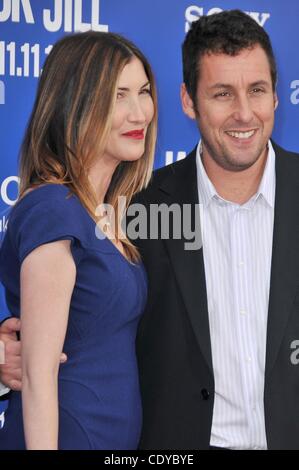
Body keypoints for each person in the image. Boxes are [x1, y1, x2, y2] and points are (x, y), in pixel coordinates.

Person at [1, 9, 299, 450]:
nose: (243, 113)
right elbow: (77, 321)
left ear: (276, 97)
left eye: (257, 90)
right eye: (221, 93)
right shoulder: (137, 210)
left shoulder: (113, 208)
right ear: (187, 101)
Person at [0, 30, 157, 450]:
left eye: (142, 92)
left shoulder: (104, 211)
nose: (139, 112)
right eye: (118, 95)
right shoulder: (53, 208)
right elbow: (36, 375)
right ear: (75, 103)